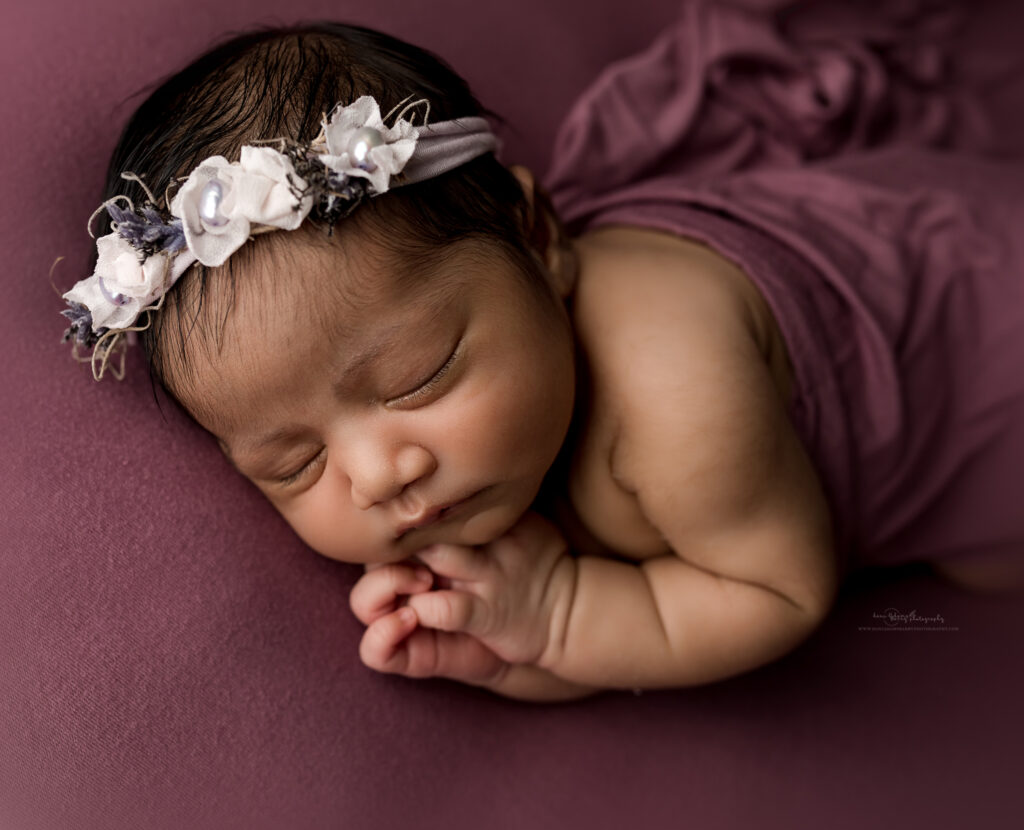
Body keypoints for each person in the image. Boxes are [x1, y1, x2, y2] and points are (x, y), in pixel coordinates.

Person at [59, 4, 1024, 703]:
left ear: (539, 236)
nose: (379, 475)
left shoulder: (674, 396)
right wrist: (492, 633)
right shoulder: (493, 422)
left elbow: (779, 591)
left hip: (986, 330)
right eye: (292, 463)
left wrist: (561, 615)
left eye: (419, 377)